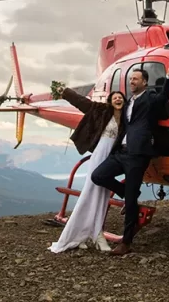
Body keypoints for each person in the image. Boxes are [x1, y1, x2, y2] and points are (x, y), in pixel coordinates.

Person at [90, 58, 169, 256]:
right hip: (121, 152)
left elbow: (164, 96)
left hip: (138, 155)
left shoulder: (150, 98)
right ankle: (129, 193)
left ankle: (126, 242)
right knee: (98, 176)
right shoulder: (128, 102)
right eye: (131, 79)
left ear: (145, 82)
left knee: (130, 204)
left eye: (136, 79)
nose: (132, 82)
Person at [47, 86, 127, 253]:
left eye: (121, 97)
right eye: (115, 97)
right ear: (110, 101)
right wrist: (66, 92)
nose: (118, 99)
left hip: (111, 157)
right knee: (91, 192)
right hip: (99, 155)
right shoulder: (102, 111)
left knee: (103, 194)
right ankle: (89, 234)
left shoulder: (126, 118)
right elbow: (83, 103)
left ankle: (89, 233)